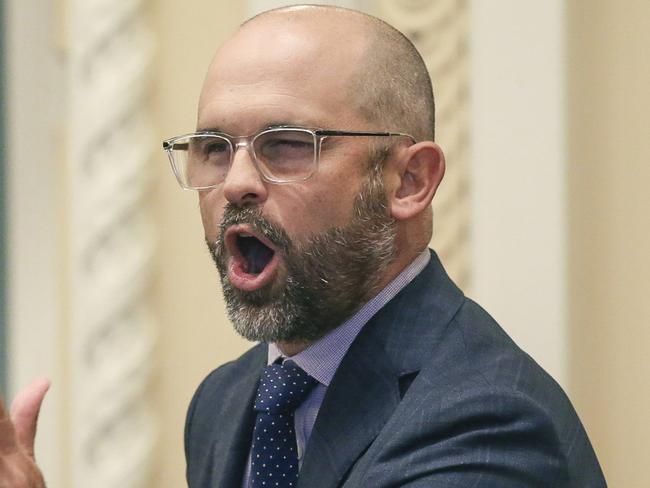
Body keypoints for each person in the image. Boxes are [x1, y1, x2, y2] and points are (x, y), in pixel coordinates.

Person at [0, 5, 606, 488]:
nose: (236, 181)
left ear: (409, 181)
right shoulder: (225, 403)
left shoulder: (485, 425)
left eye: (286, 144)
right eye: (214, 147)